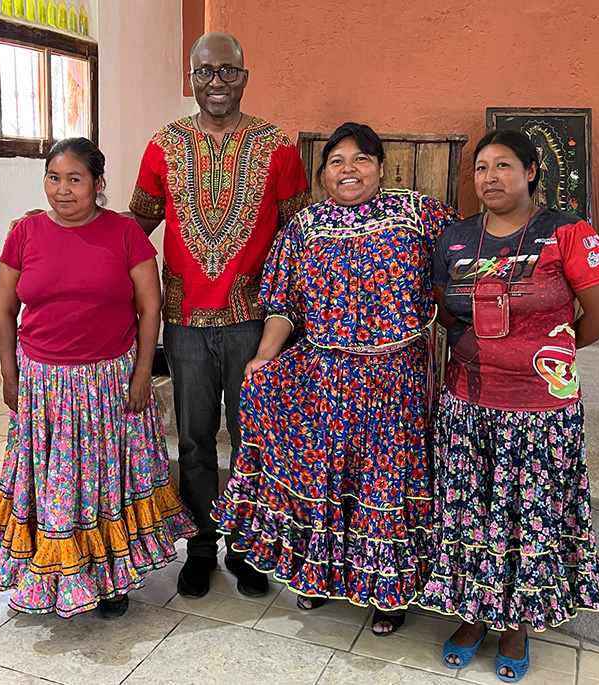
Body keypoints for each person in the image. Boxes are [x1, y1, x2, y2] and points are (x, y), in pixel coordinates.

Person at [211, 122, 461, 635]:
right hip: (326, 377)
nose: (348, 169)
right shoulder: (304, 227)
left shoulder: (420, 215)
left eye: (361, 159)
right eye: (336, 161)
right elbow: (282, 304)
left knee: (383, 481)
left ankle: (389, 593)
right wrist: (263, 357)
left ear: (382, 166)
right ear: (322, 173)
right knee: (325, 478)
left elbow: (464, 265)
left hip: (397, 378)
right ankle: (319, 576)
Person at [421, 130, 599, 682]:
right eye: (481, 168)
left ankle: (517, 623)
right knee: (470, 515)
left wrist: (550, 349)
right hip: (467, 404)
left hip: (541, 410)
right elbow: (445, 310)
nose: (490, 177)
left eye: (504, 165)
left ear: (532, 171)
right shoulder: (454, 238)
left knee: (524, 522)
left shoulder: (567, 233)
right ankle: (473, 616)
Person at [0, 137, 196, 619]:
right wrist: (10, 374)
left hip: (107, 384)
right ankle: (47, 573)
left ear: (98, 183)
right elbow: (4, 308)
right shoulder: (24, 234)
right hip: (43, 383)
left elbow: (149, 307)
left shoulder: (126, 234)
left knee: (101, 487)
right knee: (53, 486)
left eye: (75, 179)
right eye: (54, 178)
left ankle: (111, 581)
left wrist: (141, 375)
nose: (63, 190)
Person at [128, 32, 310, 599]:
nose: (216, 83)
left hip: (254, 321)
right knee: (197, 442)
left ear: (245, 77)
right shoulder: (164, 144)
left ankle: (249, 550)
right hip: (183, 321)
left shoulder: (276, 145)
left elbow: (300, 233)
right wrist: (67, 234)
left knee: (255, 442)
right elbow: (135, 228)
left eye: (228, 71)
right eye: (205, 73)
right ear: (191, 78)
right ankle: (202, 548)